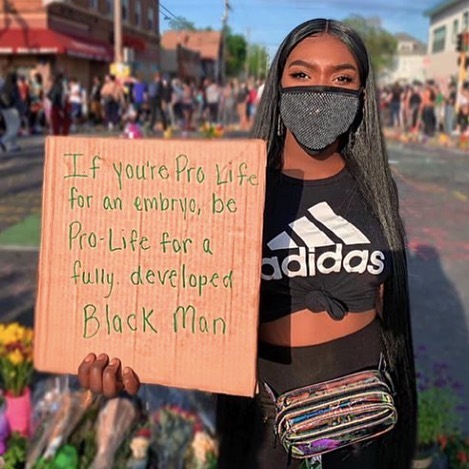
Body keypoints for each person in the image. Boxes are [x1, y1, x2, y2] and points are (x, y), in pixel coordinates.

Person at [78, 18, 417, 469]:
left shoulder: (376, 188)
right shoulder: (231, 188)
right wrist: (130, 357)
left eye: (341, 79)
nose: (320, 90)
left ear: (362, 95)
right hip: (263, 429)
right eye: (301, 74)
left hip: (364, 422)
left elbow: (387, 305)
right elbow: (182, 306)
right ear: (277, 84)